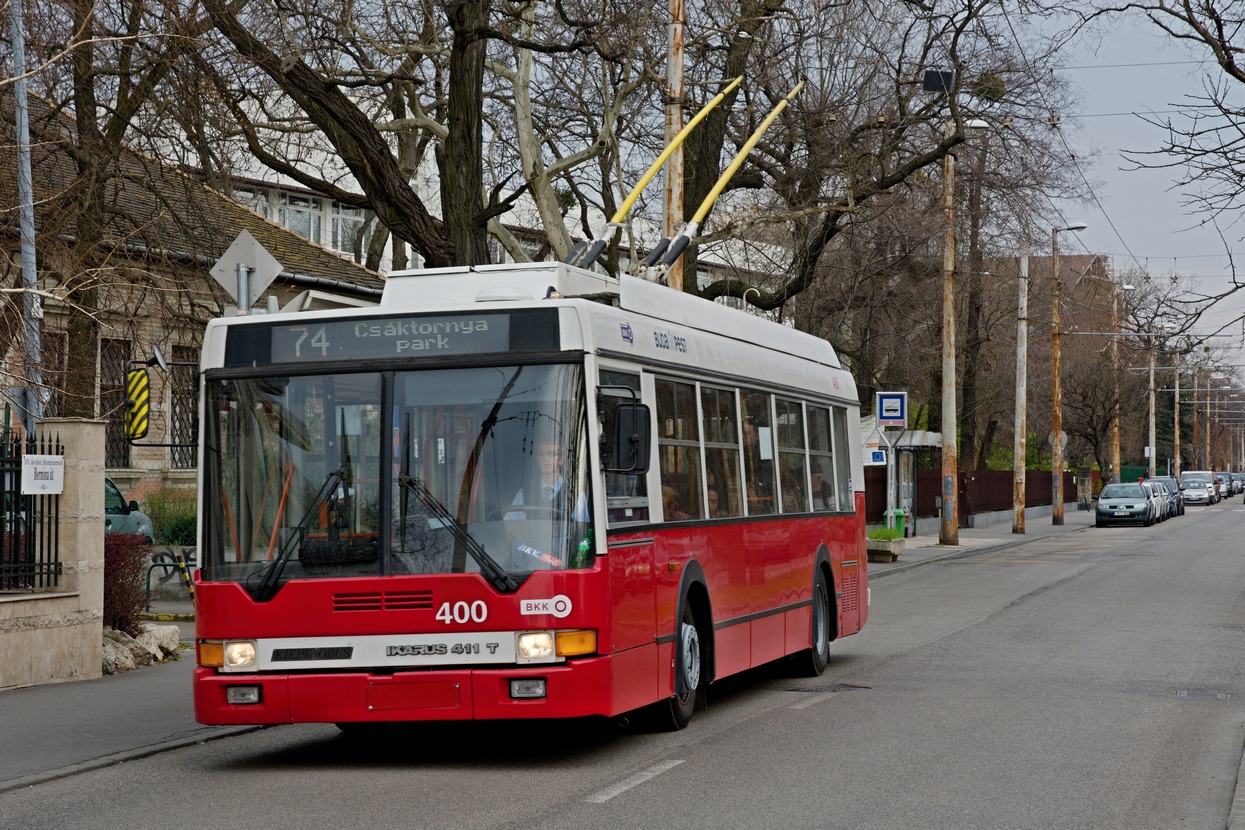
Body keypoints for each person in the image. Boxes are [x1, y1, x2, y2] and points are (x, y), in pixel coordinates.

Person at [507, 438, 589, 521]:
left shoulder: (575, 495)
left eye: (551, 454)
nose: (546, 458)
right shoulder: (525, 493)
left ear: (561, 459)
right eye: (541, 454)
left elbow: (580, 529)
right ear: (537, 459)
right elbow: (510, 525)